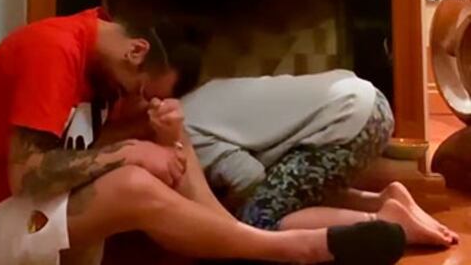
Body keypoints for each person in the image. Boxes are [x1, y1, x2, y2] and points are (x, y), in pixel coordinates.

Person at [0, 9, 407, 265]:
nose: (141, 105)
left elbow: (137, 165)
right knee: (131, 180)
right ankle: (291, 249)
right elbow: (28, 177)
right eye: (141, 93)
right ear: (136, 51)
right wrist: (130, 151)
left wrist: (175, 139)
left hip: (27, 220)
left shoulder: (105, 75)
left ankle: (271, 246)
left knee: (142, 169)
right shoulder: (54, 50)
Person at [180, 69, 459, 247]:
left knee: (257, 222)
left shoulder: (183, 130)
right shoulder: (202, 95)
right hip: (368, 102)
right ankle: (383, 200)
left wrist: (219, 213)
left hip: (348, 120)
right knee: (289, 193)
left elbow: (249, 177)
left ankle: (382, 219)